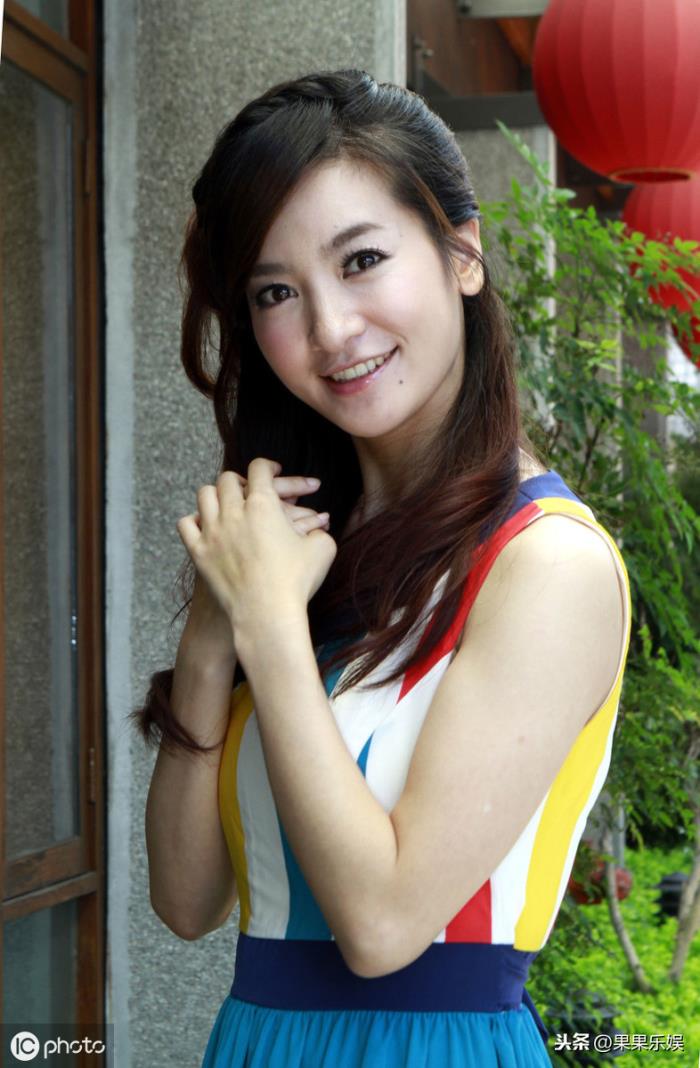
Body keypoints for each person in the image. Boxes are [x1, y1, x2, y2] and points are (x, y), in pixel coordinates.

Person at [133, 69, 632, 1068]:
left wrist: (268, 623)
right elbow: (186, 902)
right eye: (276, 292)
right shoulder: (301, 550)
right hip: (256, 1043)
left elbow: (382, 924)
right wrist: (212, 634)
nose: (330, 330)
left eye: (361, 260)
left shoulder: (546, 564)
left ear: (462, 254)